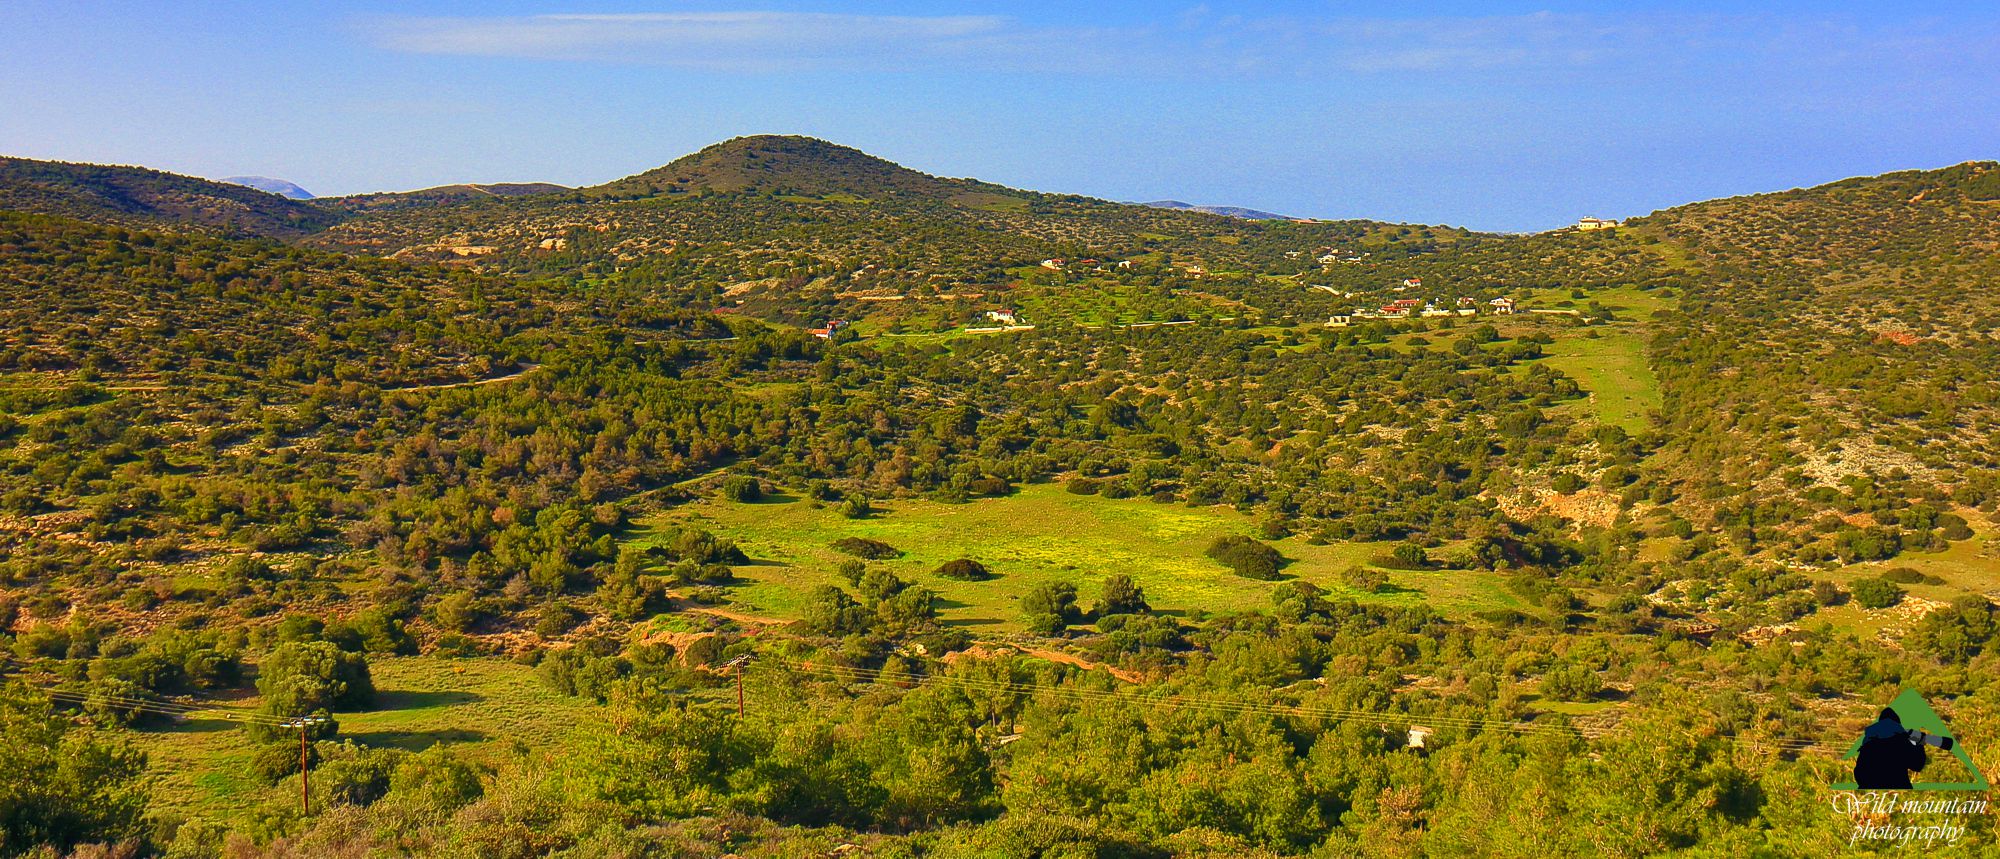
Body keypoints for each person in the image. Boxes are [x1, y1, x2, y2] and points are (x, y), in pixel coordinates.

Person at [1854, 707, 1927, 789]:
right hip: (1898, 787)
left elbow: (1859, 773)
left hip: (1870, 789)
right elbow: (1917, 765)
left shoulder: (1870, 742)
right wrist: (1919, 743)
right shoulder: (1902, 741)